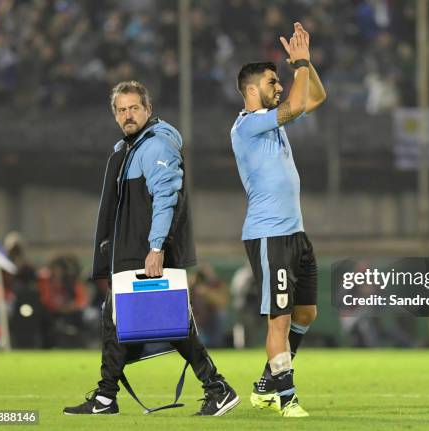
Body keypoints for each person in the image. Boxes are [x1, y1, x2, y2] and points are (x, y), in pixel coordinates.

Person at [63, 80, 239, 416]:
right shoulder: (131, 148)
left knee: (162, 323)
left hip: (147, 253)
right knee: (131, 321)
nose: (128, 115)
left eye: (134, 108)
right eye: (122, 109)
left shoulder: (155, 147)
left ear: (148, 109)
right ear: (115, 115)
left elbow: (166, 200)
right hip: (135, 250)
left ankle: (214, 388)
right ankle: (108, 396)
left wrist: (156, 247)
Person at [230, 22, 327, 417]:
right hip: (269, 235)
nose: (279, 86)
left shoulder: (272, 121)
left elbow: (315, 97)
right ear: (252, 89)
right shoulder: (248, 124)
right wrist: (299, 63)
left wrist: (306, 66)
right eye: (273, 81)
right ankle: (286, 400)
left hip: (295, 233)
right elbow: (300, 103)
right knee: (280, 319)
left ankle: (268, 384)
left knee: (306, 313)